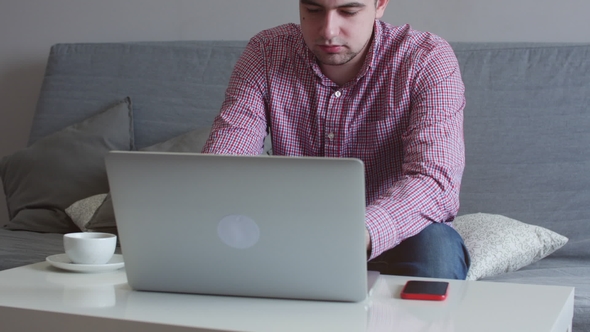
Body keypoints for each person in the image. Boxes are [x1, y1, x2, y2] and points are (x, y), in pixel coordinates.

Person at [202, 0, 470, 279]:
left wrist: (356, 232)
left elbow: (436, 181)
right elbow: (224, 165)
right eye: (314, 10)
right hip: (288, 230)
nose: (328, 31)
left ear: (380, 4)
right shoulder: (266, 52)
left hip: (396, 232)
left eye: (348, 11)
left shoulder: (426, 58)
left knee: (437, 248)